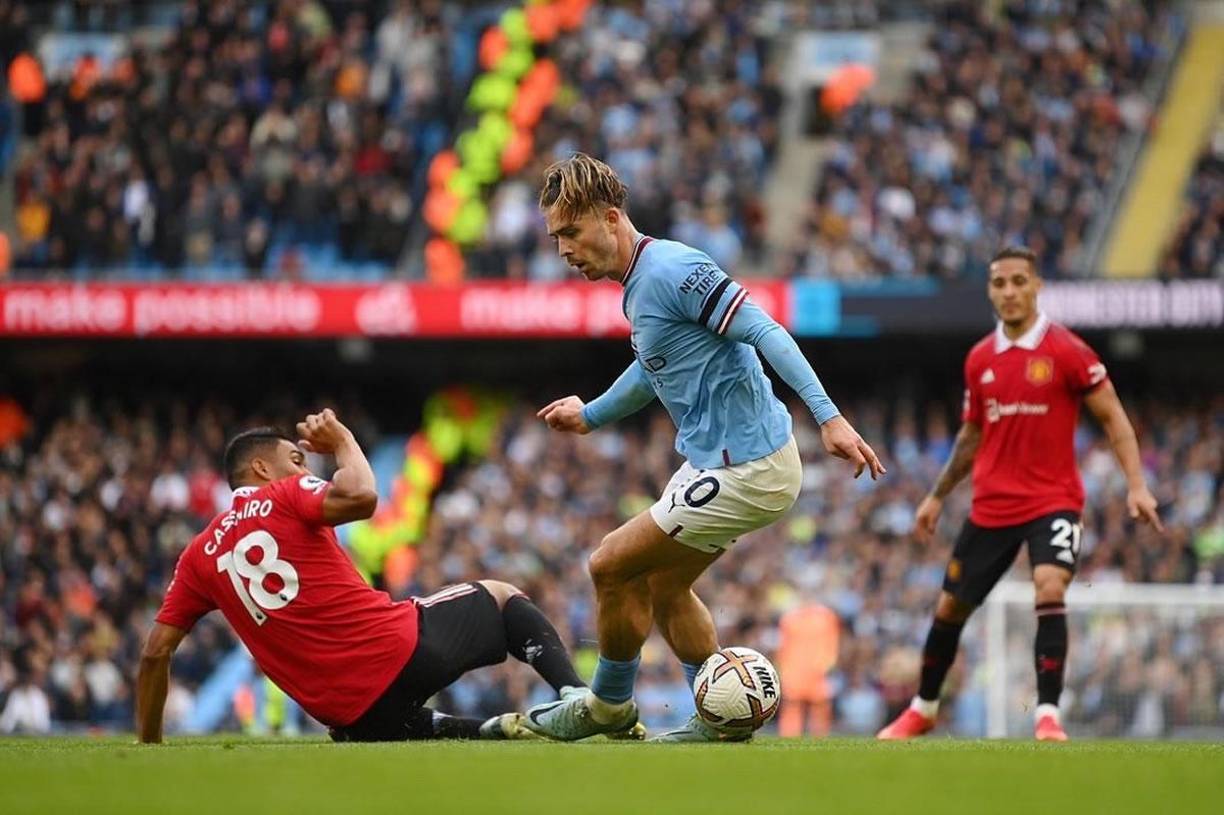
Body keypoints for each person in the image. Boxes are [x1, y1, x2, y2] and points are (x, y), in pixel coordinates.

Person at [525, 153, 885, 742]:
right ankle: (720, 717)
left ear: (611, 217)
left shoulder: (672, 269)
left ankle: (609, 705)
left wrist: (830, 418)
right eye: (555, 236)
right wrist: (590, 415)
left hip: (749, 467)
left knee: (610, 564)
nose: (563, 250)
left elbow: (765, 329)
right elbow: (652, 368)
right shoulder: (638, 286)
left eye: (571, 231)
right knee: (665, 587)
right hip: (719, 464)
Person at [136, 409, 610, 743]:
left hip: (349, 715)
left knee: (392, 725)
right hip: (395, 652)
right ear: (261, 468)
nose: (305, 467)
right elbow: (363, 497)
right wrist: (342, 439)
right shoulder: (284, 493)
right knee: (502, 597)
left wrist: (150, 742)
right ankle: (582, 697)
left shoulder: (198, 554)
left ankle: (493, 728)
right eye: (296, 459)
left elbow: (156, 653)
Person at [876, 246, 1163, 742]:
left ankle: (1047, 713)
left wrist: (1137, 485)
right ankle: (922, 708)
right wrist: (937, 495)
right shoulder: (980, 360)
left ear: (1037, 286)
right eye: (999, 283)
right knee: (950, 609)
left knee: (1049, 586)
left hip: (1053, 499)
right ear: (990, 290)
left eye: (1018, 281)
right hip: (991, 505)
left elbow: (1114, 417)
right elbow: (970, 437)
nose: (1009, 292)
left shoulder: (1069, 351)